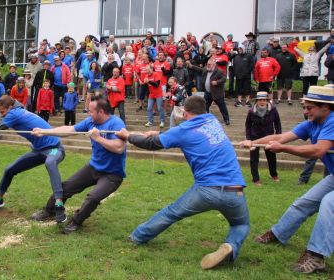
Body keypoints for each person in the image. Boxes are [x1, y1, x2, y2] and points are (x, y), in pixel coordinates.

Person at [116, 95, 249, 270]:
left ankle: (138, 236)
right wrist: (158, 133)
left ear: (185, 113)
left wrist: (127, 136)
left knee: (172, 213)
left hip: (207, 189)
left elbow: (153, 144)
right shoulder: (213, 121)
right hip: (236, 190)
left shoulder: (184, 129)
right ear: (205, 110)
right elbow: (183, 134)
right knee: (241, 224)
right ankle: (231, 246)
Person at [242, 85, 334, 274]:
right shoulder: (312, 124)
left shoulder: (332, 121)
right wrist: (254, 142)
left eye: (310, 108)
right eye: (304, 107)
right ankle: (278, 234)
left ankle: (316, 256)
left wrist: (283, 149)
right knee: (304, 203)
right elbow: (281, 136)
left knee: (329, 204)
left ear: (326, 107)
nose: (305, 111)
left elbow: (318, 150)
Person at [0, 95, 67, 222]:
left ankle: (59, 205)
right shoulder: (15, 111)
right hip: (39, 150)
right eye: (0, 113)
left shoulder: (14, 114)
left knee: (50, 163)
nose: (2, 115)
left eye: (3, 112)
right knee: (9, 170)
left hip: (55, 149)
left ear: (10, 107)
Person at [31, 97, 127, 234]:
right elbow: (69, 129)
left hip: (112, 174)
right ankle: (50, 210)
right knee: (66, 187)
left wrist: (98, 138)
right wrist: (44, 131)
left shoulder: (116, 124)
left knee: (93, 197)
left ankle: (76, 221)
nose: (88, 113)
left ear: (101, 112)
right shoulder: (90, 121)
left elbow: (119, 148)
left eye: (91, 111)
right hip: (93, 167)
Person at [245, 92, 281, 186]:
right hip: (255, 137)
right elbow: (248, 125)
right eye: (260, 100)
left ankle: (274, 174)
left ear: (267, 101)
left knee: (271, 157)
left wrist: (278, 136)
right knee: (254, 159)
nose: (262, 102)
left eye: (264, 100)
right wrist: (248, 138)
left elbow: (277, 123)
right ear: (256, 101)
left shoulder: (273, 110)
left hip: (269, 137)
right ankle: (255, 179)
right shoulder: (251, 111)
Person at [200, 61, 231, 125]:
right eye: (207, 64)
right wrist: (191, 66)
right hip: (208, 92)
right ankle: (206, 119)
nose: (207, 65)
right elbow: (199, 69)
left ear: (214, 65)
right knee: (204, 106)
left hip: (217, 93)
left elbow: (224, 79)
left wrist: (217, 82)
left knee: (222, 107)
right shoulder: (206, 70)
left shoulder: (219, 71)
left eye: (209, 64)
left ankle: (226, 119)